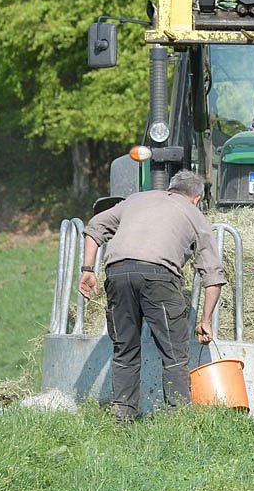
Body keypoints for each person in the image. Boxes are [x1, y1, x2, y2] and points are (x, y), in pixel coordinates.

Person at [77, 170, 226, 423]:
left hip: (118, 273)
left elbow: (94, 228)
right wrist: (205, 319)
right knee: (174, 352)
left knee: (125, 349)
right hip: (158, 276)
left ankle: (122, 416)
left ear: (171, 188)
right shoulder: (194, 215)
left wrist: (88, 270)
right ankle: (177, 418)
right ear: (196, 198)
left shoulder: (136, 199)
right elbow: (213, 276)